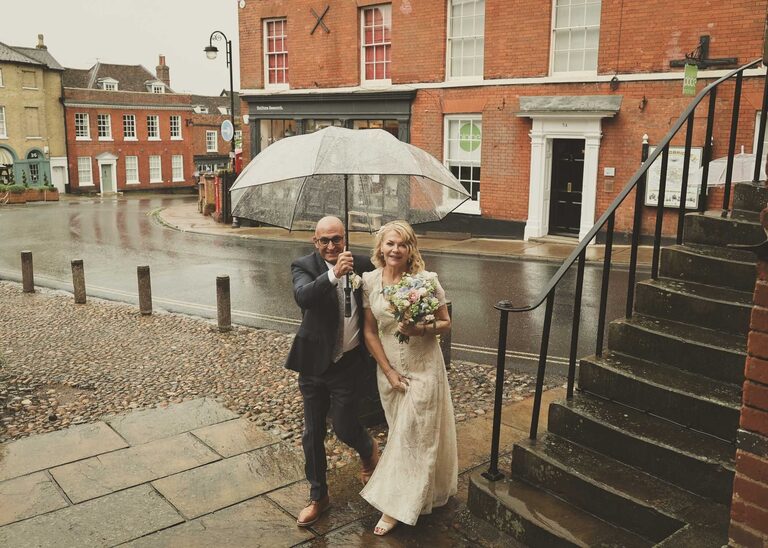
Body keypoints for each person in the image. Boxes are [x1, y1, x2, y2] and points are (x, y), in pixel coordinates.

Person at [359, 220, 458, 536]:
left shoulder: (426, 282)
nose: (395, 249)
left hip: (423, 366)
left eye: (401, 244)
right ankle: (422, 490)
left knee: (411, 436)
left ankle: (395, 507)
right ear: (381, 248)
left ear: (410, 248)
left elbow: (445, 322)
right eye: (390, 243)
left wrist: (422, 329)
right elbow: (369, 331)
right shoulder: (370, 282)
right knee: (406, 434)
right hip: (389, 371)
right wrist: (387, 370)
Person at [286, 215, 380, 527]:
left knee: (343, 426)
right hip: (313, 364)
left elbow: (390, 275)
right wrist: (332, 275)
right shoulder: (304, 266)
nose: (331, 245)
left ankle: (368, 451)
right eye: (324, 240)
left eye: (336, 239)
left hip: (348, 364)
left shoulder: (362, 264)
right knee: (312, 433)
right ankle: (318, 496)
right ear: (315, 242)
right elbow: (303, 296)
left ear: (345, 239)